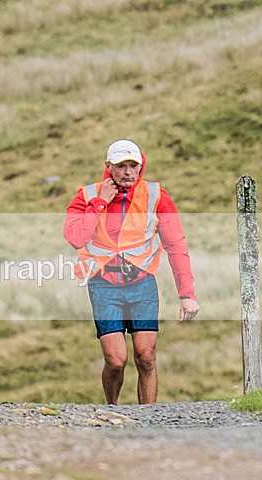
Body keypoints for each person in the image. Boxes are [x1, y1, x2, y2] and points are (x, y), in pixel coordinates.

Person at [63, 139, 199, 405]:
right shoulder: (87, 195)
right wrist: (101, 201)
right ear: (108, 167)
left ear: (141, 166)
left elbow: (177, 246)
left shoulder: (156, 195)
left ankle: (147, 419)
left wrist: (187, 294)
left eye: (133, 165)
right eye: (121, 165)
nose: (128, 172)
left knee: (146, 356)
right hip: (103, 285)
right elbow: (75, 237)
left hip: (142, 284)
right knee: (116, 360)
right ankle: (111, 409)